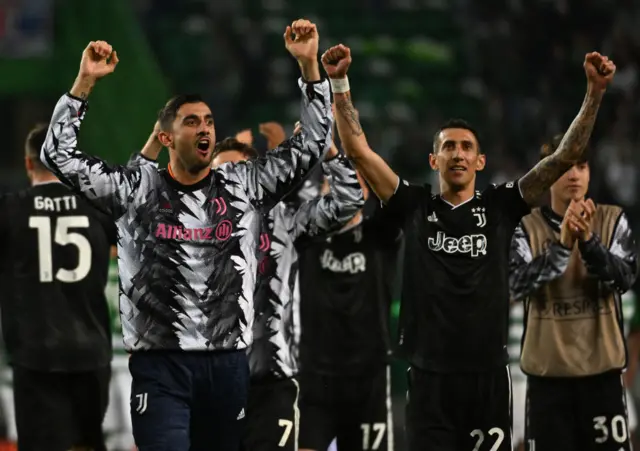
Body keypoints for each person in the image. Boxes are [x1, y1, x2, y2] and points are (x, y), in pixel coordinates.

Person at [39, 17, 332, 451]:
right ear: (165, 136)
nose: (206, 129)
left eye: (210, 121)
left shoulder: (241, 184)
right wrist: (83, 83)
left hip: (229, 364)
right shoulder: (135, 188)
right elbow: (57, 155)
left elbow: (311, 146)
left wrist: (309, 67)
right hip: (161, 366)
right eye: (192, 121)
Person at [320, 42, 616, 450]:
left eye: (466, 148)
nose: (457, 153)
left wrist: (595, 92)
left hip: (488, 380)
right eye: (448, 147)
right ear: (433, 160)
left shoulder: (502, 205)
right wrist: (339, 80)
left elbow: (566, 156)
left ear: (480, 161)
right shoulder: (414, 204)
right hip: (428, 379)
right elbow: (357, 149)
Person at [210, 122, 363, 451]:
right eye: (219, 174)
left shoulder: (284, 219)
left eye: (237, 171)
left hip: (272, 384)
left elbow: (349, 202)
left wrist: (329, 153)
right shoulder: (189, 229)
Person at [509, 136, 637, 451]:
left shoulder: (613, 220)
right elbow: (517, 284)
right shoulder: (525, 227)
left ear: (590, 173)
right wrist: (563, 246)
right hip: (546, 383)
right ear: (547, 174)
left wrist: (589, 242)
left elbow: (625, 278)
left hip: (602, 380)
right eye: (564, 167)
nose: (574, 175)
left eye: (581, 166)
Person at [0, 123, 115, 451]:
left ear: (27, 164)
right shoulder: (97, 209)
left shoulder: (9, 210)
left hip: (37, 354)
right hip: (92, 352)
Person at [296, 166, 402, 451]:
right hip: (315, 378)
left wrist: (354, 155)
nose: (337, 191)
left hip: (368, 379)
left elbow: (397, 199)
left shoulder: (380, 235)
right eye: (329, 184)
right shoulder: (306, 237)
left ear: (363, 193)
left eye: (348, 184)